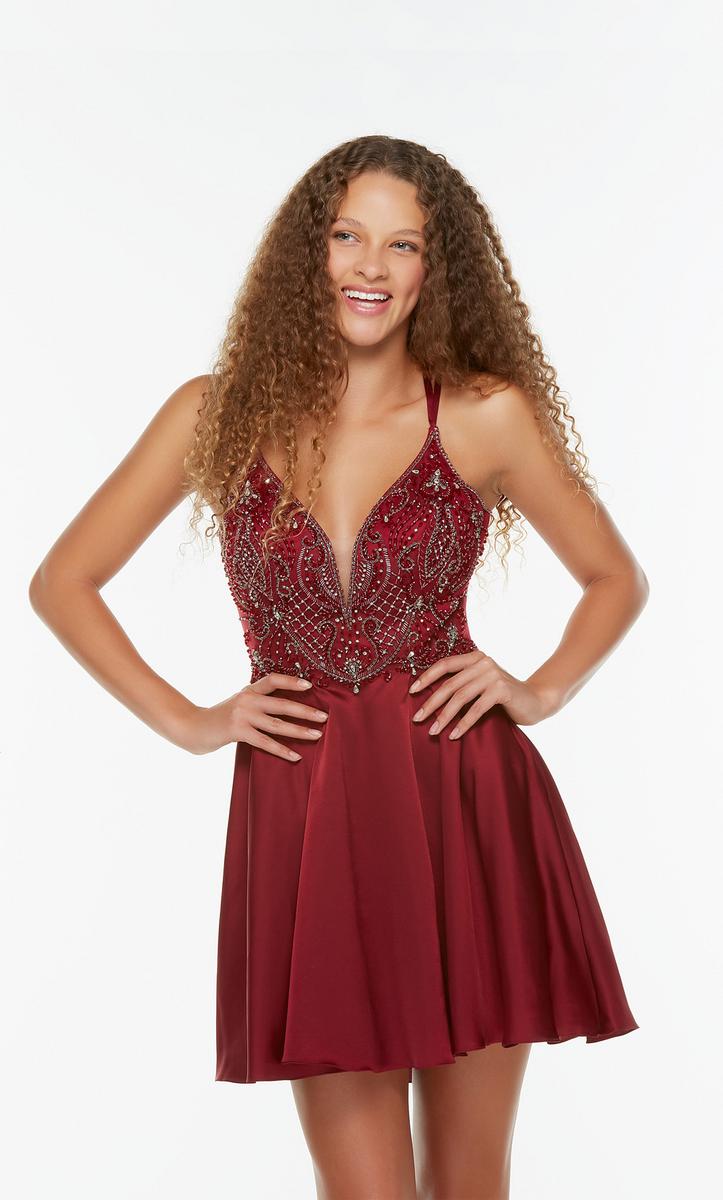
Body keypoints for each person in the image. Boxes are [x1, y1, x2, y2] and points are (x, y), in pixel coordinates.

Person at [29, 134, 648, 1200]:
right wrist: (191, 721)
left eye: (402, 244)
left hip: (466, 805)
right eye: (346, 235)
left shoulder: (485, 414)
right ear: (306, 253)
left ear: (435, 269)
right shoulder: (215, 413)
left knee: (471, 1183)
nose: (371, 266)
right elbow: (64, 582)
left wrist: (539, 690)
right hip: (308, 813)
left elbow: (614, 579)